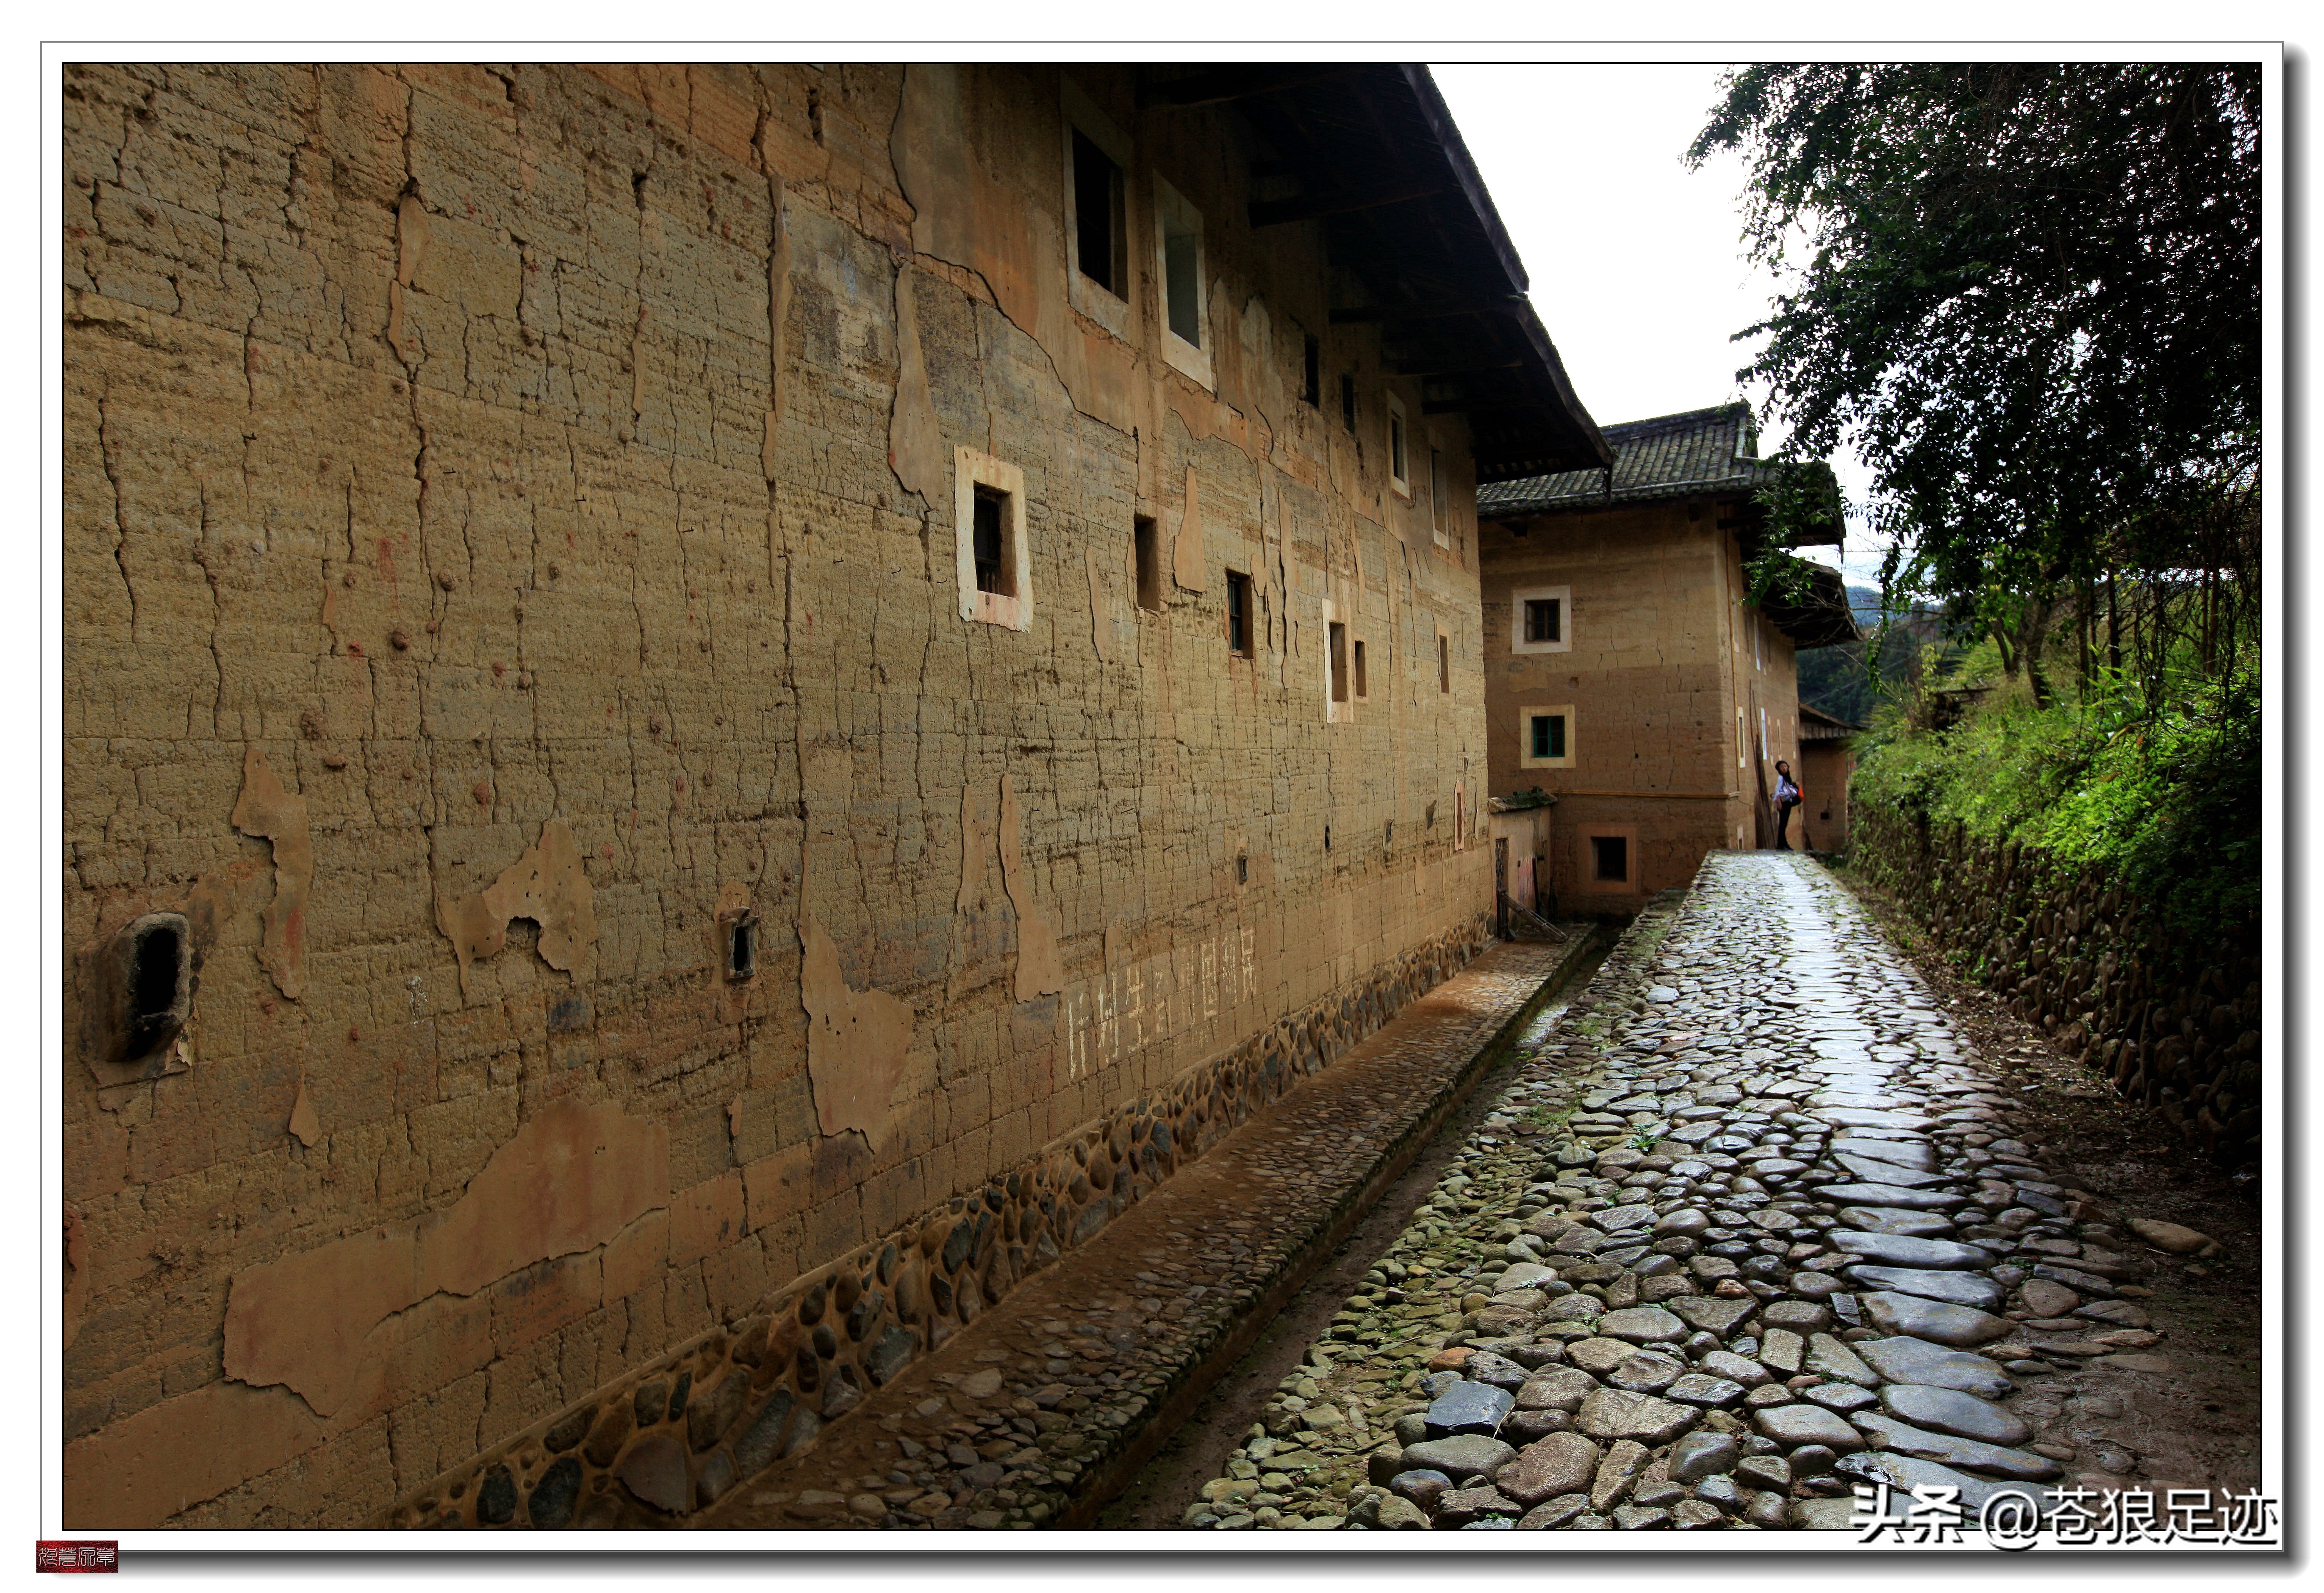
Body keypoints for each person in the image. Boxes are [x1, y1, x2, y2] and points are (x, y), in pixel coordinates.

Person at [1773, 759, 1803, 850]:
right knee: (1783, 824)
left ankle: (1783, 844)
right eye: (1782, 767)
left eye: (1786, 766)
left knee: (1784, 824)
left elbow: (1788, 786)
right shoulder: (1781, 778)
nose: (1784, 768)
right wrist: (1779, 802)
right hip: (1784, 803)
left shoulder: (1787, 778)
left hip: (1788, 802)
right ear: (1779, 769)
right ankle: (1781, 845)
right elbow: (1777, 791)